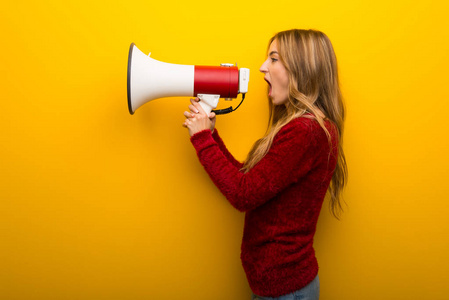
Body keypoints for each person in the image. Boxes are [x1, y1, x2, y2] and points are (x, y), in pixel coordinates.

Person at [182, 29, 347, 300]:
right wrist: (210, 135)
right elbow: (248, 180)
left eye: (273, 59)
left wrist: (201, 139)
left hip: (285, 292)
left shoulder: (306, 131)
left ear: (302, 69)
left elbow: (242, 194)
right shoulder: (305, 127)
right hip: (279, 288)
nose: (262, 67)